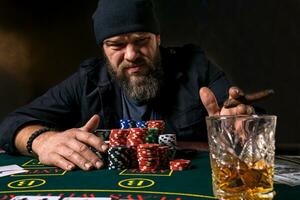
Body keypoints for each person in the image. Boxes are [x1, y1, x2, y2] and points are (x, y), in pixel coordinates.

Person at [0, 0, 254, 171]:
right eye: (117, 45)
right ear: (103, 48)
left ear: (158, 38)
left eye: (141, 40)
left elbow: (243, 121)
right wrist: (42, 141)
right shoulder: (88, 80)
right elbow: (11, 124)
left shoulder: (197, 68)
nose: (131, 55)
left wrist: (240, 122)